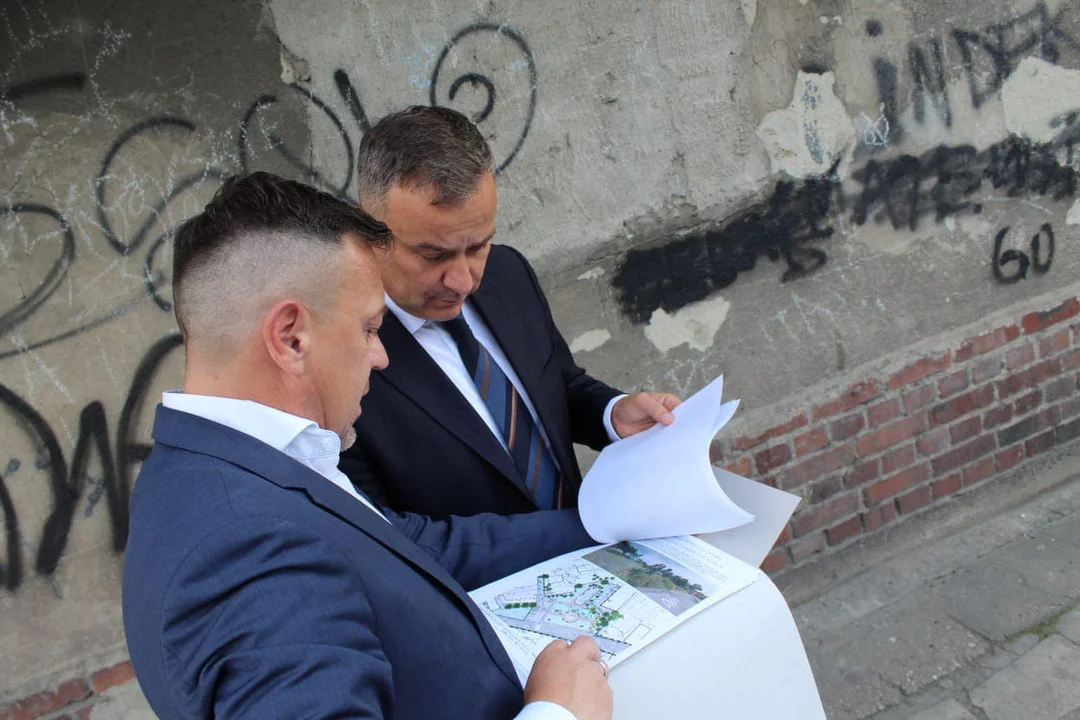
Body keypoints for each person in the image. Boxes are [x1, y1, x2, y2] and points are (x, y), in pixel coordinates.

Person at [121, 172, 613, 720]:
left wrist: (605, 521)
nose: (380, 358)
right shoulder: (248, 548)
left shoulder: (218, 466)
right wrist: (559, 713)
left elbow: (413, 548)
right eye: (370, 328)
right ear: (291, 337)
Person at [340, 106, 680, 518]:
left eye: (478, 246)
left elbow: (556, 386)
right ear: (369, 227)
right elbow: (390, 532)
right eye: (433, 255)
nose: (463, 281)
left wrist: (611, 414)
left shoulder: (508, 272)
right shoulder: (338, 357)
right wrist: (576, 531)